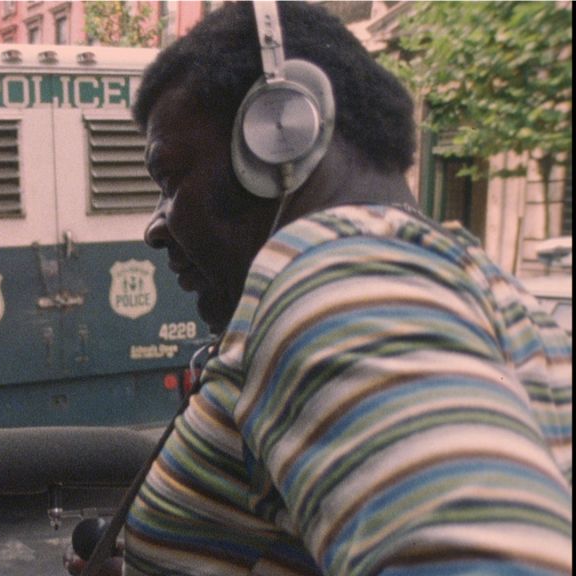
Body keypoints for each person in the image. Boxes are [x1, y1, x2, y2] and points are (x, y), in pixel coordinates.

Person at [69, 3, 572, 575]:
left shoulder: (337, 277)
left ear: (278, 137)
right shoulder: (477, 285)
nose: (156, 226)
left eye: (170, 177)